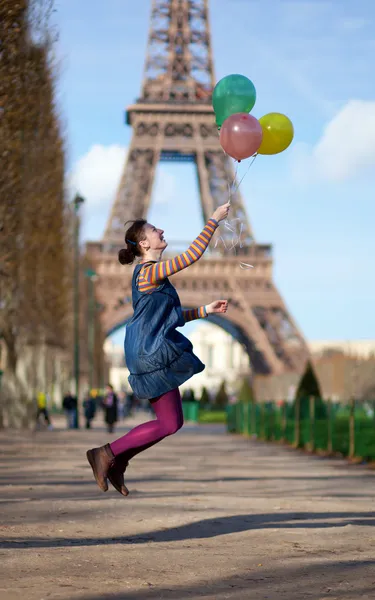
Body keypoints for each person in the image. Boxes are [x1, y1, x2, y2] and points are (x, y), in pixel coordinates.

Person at [86, 202, 230, 496]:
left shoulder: (154, 277)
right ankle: (107, 454)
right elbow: (191, 255)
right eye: (154, 230)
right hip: (150, 354)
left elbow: (171, 318)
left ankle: (117, 460)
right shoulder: (149, 272)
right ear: (143, 243)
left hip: (152, 350)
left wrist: (205, 310)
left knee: (172, 422)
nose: (161, 230)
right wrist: (213, 219)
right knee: (168, 423)